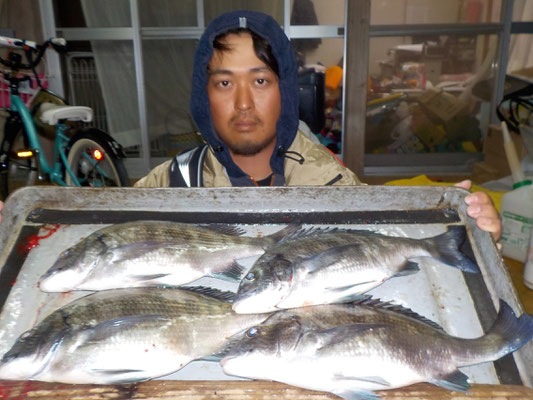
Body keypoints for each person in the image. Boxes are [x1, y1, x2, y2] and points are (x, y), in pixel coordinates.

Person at [0, 10, 502, 242]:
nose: (243, 102)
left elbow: (393, 258)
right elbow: (98, 243)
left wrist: (471, 234)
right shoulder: (168, 188)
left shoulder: (334, 189)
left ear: (284, 89)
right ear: (204, 97)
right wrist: (17, 233)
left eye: (260, 79)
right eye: (223, 84)